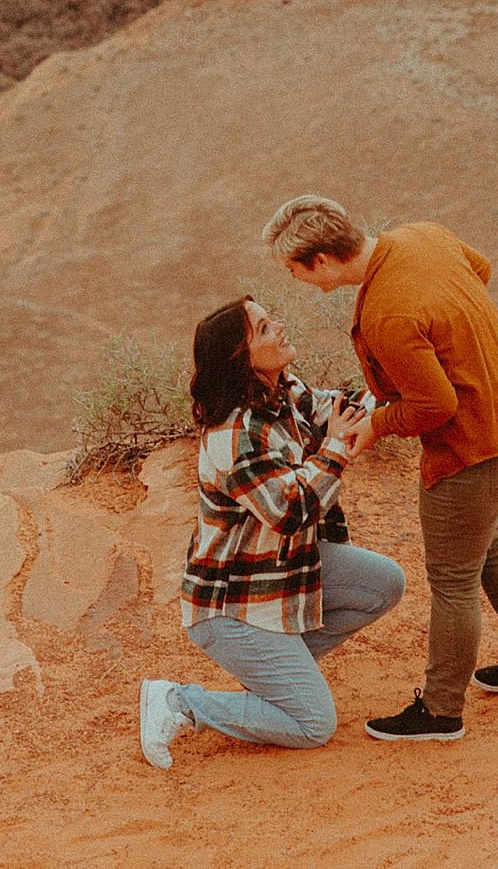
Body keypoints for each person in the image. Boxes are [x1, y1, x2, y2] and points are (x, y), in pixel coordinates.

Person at [262, 195, 498, 743]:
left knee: (452, 579)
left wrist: (374, 426)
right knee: (487, 544)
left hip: (477, 449)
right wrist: (459, 342)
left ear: (322, 260)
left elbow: (434, 407)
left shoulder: (386, 317)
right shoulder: (423, 235)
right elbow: (480, 268)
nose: (296, 279)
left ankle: (442, 712)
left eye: (293, 268)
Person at [138, 294, 405, 769]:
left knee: (382, 584)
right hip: (233, 605)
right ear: (241, 359)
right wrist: (336, 452)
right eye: (263, 329)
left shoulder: (282, 391)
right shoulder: (233, 434)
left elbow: (336, 409)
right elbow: (290, 511)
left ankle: (277, 678)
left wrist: (394, 376)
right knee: (312, 725)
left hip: (283, 576)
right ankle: (179, 701)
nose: (278, 327)